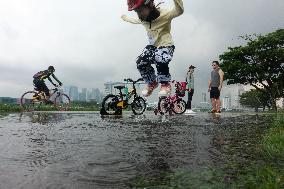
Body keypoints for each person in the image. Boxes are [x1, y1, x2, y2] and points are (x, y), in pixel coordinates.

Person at [121, 0, 184, 97]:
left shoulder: (165, 14)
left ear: (150, 5)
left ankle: (165, 84)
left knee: (160, 56)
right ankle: (152, 82)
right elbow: (135, 21)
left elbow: (179, 11)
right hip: (153, 46)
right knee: (140, 62)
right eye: (137, 12)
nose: (139, 15)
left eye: (140, 11)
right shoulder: (143, 19)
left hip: (166, 45)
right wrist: (125, 18)